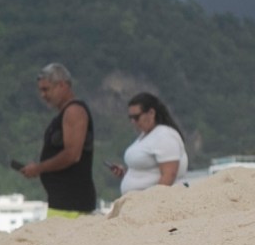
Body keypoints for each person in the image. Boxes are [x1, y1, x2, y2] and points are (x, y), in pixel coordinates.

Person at [17, 63, 96, 217]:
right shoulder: (64, 114)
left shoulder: (74, 111)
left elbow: (72, 155)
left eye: (46, 89)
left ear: (62, 85)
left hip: (72, 203)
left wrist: (39, 168)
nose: (43, 95)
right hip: (61, 202)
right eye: (41, 90)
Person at [110, 92, 187, 195]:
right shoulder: (145, 136)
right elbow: (147, 171)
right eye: (131, 118)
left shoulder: (164, 135)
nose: (133, 122)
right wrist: (126, 174)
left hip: (153, 203)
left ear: (151, 113)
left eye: (136, 117)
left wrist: (152, 202)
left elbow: (169, 175)